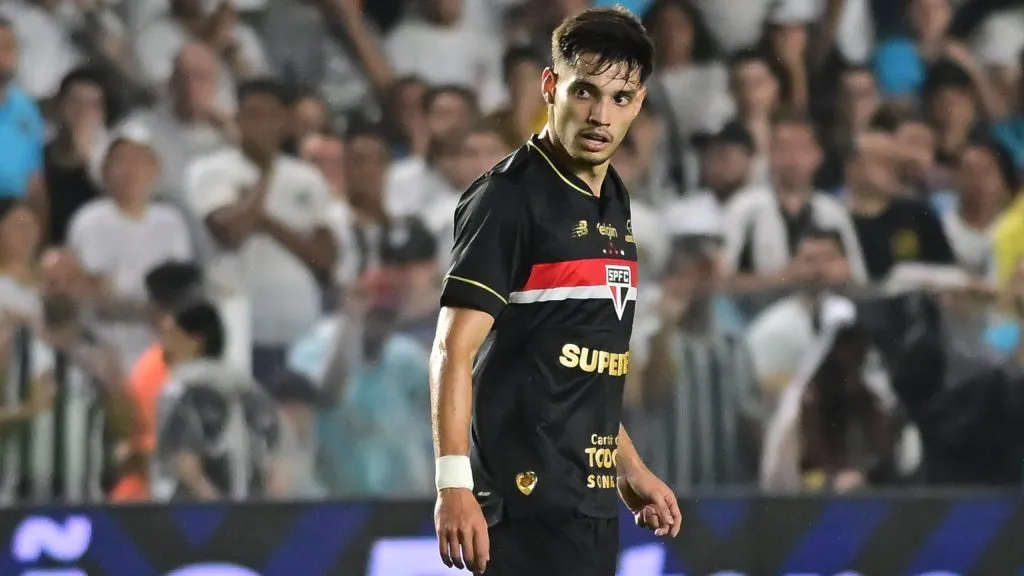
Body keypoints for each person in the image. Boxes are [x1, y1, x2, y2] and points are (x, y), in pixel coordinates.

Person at [430, 8, 679, 575]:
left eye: (621, 98)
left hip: (589, 506)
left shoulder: (613, 197)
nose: (600, 115)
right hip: (522, 504)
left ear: (639, 104)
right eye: (585, 91)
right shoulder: (507, 198)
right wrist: (453, 484)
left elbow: (573, 361)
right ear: (551, 86)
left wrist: (628, 466)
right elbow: (453, 349)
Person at [151, 301, 286, 501]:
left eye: (172, 335)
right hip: (255, 516)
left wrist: (219, 512)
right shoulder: (252, 391)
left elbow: (185, 463)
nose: (164, 345)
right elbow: (277, 466)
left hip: (193, 518)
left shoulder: (180, 391)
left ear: (196, 340)